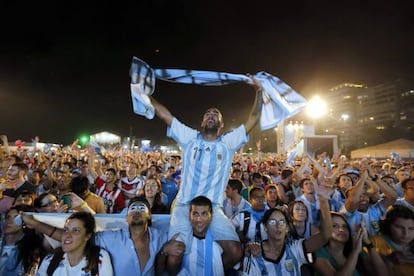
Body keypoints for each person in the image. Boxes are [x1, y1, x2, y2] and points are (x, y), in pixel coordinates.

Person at [150, 76, 263, 272]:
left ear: (221, 124)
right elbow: (164, 115)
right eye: (207, 114)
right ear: (202, 122)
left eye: (216, 114)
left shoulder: (227, 143)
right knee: (175, 255)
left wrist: (259, 91)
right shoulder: (189, 138)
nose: (211, 115)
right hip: (185, 205)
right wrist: (146, 96)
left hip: (213, 208)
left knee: (235, 252)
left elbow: (253, 118)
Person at [21, 196, 182, 276]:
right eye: (132, 209)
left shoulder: (162, 237)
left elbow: (170, 270)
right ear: (126, 217)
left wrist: (166, 251)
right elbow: (74, 237)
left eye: (141, 208)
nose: (137, 211)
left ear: (149, 216)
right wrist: (35, 223)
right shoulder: (111, 239)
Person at [242, 175, 333, 276]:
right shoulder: (255, 254)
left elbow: (326, 235)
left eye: (282, 222)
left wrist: (323, 201)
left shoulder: (295, 249)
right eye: (272, 222)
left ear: (287, 228)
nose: (278, 226)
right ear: (265, 227)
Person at [37, 212, 114, 276]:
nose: (67, 235)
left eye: (75, 231)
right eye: (66, 230)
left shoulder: (99, 258)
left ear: (87, 236)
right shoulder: (50, 260)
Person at [313, 212, 388, 276]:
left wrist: (367, 242)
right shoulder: (318, 252)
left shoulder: (355, 248)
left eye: (344, 226)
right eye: (334, 226)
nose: (341, 229)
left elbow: (383, 274)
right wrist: (355, 252)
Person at [174, 196, 225, 275]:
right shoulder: (181, 240)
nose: (199, 220)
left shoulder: (219, 243)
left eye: (204, 214)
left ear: (211, 216)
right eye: (195, 214)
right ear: (189, 216)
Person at [0, 205, 46, 275]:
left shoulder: (30, 250)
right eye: (8, 217)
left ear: (26, 223)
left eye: (16, 218)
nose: (9, 221)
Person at [371, 205, 414, 275]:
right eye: (399, 227)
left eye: (411, 229)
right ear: (388, 225)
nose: (406, 234)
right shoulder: (374, 243)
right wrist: (388, 261)